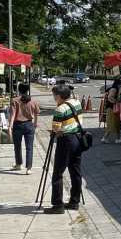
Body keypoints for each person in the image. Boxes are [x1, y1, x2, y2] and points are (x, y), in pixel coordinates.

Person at [47, 84, 85, 214]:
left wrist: (53, 131)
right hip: (78, 139)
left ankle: (58, 205)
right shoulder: (77, 102)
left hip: (66, 141)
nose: (54, 98)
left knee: (58, 172)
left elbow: (56, 129)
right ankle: (75, 201)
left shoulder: (60, 109)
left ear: (58, 96)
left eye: (54, 96)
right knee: (75, 171)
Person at [9, 83, 40, 174]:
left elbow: (13, 114)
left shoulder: (14, 100)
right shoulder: (33, 101)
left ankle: (18, 164)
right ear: (28, 90)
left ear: (19, 90)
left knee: (17, 146)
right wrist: (35, 124)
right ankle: (29, 168)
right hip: (29, 125)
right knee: (29, 147)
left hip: (17, 125)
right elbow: (36, 114)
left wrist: (9, 126)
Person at [102, 78, 121, 143]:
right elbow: (110, 97)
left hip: (111, 108)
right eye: (120, 84)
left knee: (116, 124)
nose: (120, 86)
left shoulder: (113, 88)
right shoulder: (114, 89)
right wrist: (116, 101)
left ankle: (118, 138)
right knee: (111, 124)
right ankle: (104, 138)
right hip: (111, 109)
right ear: (118, 84)